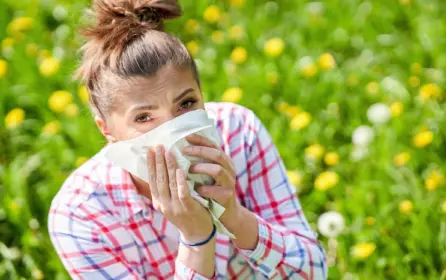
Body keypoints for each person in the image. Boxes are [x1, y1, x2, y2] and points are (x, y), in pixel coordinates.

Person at [47, 0, 327, 279]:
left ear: (202, 95)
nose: (173, 129)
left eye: (186, 104)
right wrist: (196, 239)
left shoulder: (238, 132)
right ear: (106, 130)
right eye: (144, 118)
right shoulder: (81, 215)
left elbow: (313, 272)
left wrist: (234, 216)